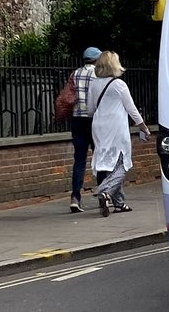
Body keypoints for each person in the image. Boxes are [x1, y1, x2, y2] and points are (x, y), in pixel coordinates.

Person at [88, 51, 151, 217]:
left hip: (98, 125)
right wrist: (143, 126)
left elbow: (90, 109)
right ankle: (105, 191)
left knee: (106, 163)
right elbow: (131, 109)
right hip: (115, 126)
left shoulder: (93, 84)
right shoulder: (119, 85)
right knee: (122, 163)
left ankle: (119, 203)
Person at [67, 47, 101, 213]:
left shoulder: (75, 74)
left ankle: (75, 197)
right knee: (100, 157)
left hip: (77, 119)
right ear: (96, 59)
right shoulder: (99, 75)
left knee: (79, 160)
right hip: (94, 119)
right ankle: (104, 195)